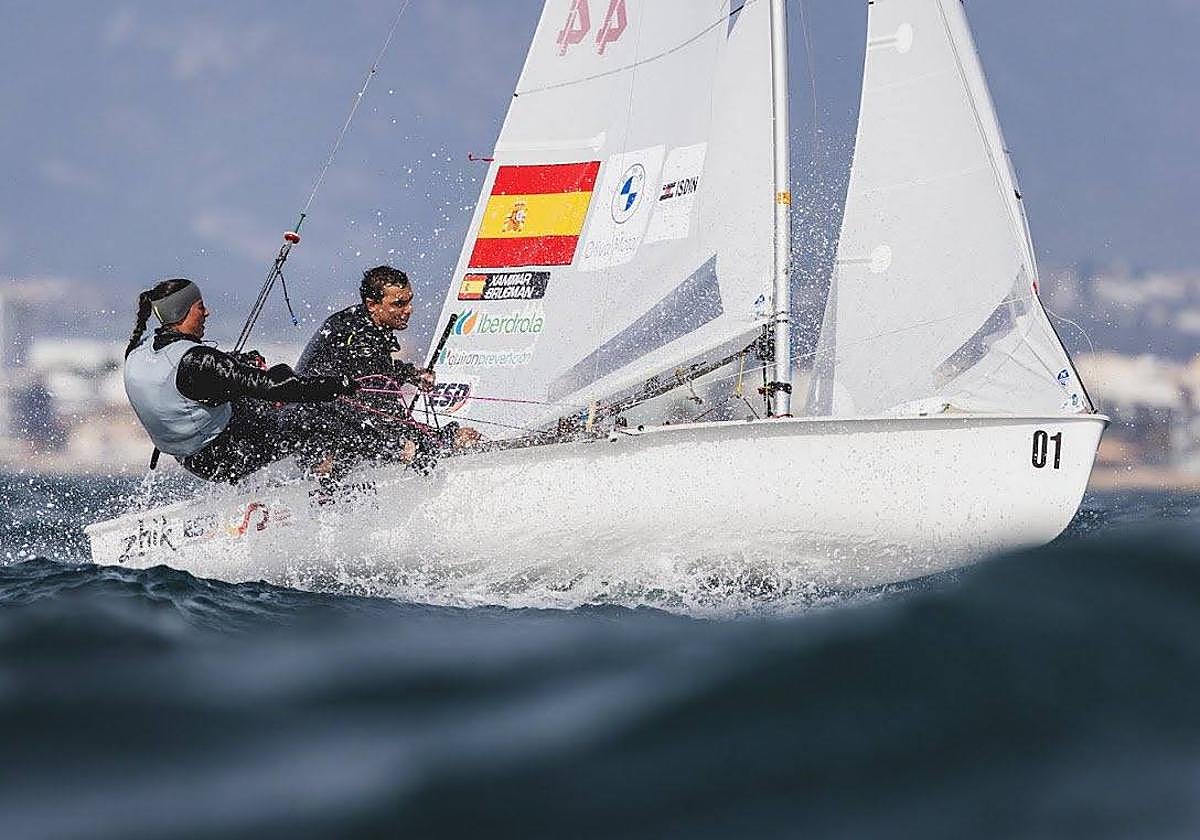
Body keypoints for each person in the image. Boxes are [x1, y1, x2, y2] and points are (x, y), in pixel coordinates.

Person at [123, 278, 357, 483]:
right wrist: (337, 385)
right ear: (181, 312)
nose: (206, 313)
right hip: (224, 458)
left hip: (189, 457)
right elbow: (276, 388)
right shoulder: (197, 360)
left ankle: (314, 469)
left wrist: (237, 362)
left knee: (256, 396)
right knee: (313, 417)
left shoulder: (137, 352)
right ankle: (327, 481)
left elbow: (187, 383)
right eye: (200, 307)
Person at [293, 264, 478, 473]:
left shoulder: (360, 321)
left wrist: (411, 374)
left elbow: (376, 373)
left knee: (396, 440)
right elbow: (382, 409)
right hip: (314, 433)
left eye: (409, 301)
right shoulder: (360, 340)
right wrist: (440, 439)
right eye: (399, 304)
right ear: (372, 304)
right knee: (403, 445)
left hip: (323, 420)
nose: (409, 310)